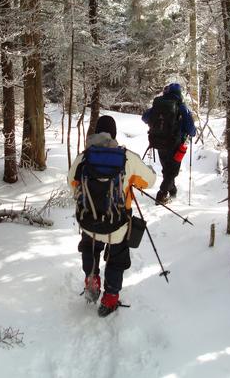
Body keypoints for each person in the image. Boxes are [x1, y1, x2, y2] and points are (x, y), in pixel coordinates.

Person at [68, 115, 156, 317]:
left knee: (90, 250)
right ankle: (109, 299)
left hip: (89, 222)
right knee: (117, 259)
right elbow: (149, 181)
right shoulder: (127, 158)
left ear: (96, 132)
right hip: (117, 225)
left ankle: (92, 280)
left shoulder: (84, 157)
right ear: (113, 134)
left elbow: (71, 182)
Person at [142, 83, 196, 204]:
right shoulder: (181, 107)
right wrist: (192, 132)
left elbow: (145, 118)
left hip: (158, 141)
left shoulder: (158, 105)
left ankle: (173, 191)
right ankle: (161, 195)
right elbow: (191, 129)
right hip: (175, 143)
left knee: (167, 168)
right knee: (172, 171)